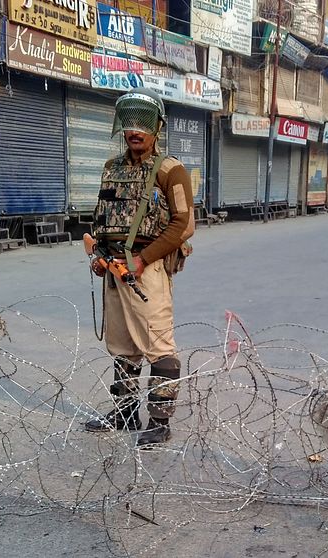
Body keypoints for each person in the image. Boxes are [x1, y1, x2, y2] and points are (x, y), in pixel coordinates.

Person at [84, 87, 194, 447]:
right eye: (129, 121)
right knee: (122, 346)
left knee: (158, 344)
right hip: (113, 268)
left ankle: (160, 421)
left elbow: (183, 225)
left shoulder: (170, 170)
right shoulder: (110, 168)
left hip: (146, 269)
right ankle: (126, 413)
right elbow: (103, 217)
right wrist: (98, 256)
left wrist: (144, 259)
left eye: (143, 122)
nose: (135, 129)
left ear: (157, 128)